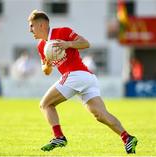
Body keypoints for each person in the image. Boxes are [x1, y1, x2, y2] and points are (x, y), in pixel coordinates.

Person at [28, 10, 138, 153]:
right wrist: (47, 64)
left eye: (32, 26)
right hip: (86, 78)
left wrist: (68, 44)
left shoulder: (62, 32)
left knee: (45, 104)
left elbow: (85, 43)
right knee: (100, 115)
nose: (30, 30)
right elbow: (46, 71)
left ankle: (58, 136)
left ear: (42, 25)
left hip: (76, 74)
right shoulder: (41, 46)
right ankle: (127, 138)